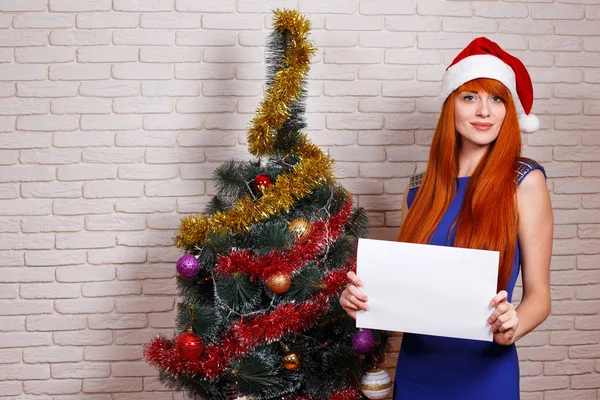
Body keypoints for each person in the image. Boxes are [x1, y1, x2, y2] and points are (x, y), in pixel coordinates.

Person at [340, 37, 553, 399]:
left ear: (508, 110)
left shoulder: (524, 180)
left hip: (485, 374)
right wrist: (360, 301)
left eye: (497, 98)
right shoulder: (418, 189)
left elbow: (540, 296)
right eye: (470, 97)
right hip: (417, 370)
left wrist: (512, 327)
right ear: (449, 106)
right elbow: (406, 287)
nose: (484, 111)